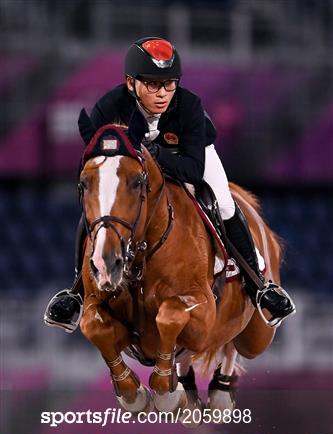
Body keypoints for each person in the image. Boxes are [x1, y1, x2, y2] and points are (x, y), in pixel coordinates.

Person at [44, 36, 295, 332]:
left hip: (191, 154)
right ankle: (77, 291)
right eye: (152, 84)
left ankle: (259, 286)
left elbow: (191, 169)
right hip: (135, 170)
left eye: (169, 83)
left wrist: (155, 155)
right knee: (103, 209)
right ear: (130, 83)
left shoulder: (188, 106)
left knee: (224, 202)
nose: (162, 93)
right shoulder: (109, 108)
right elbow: (90, 166)